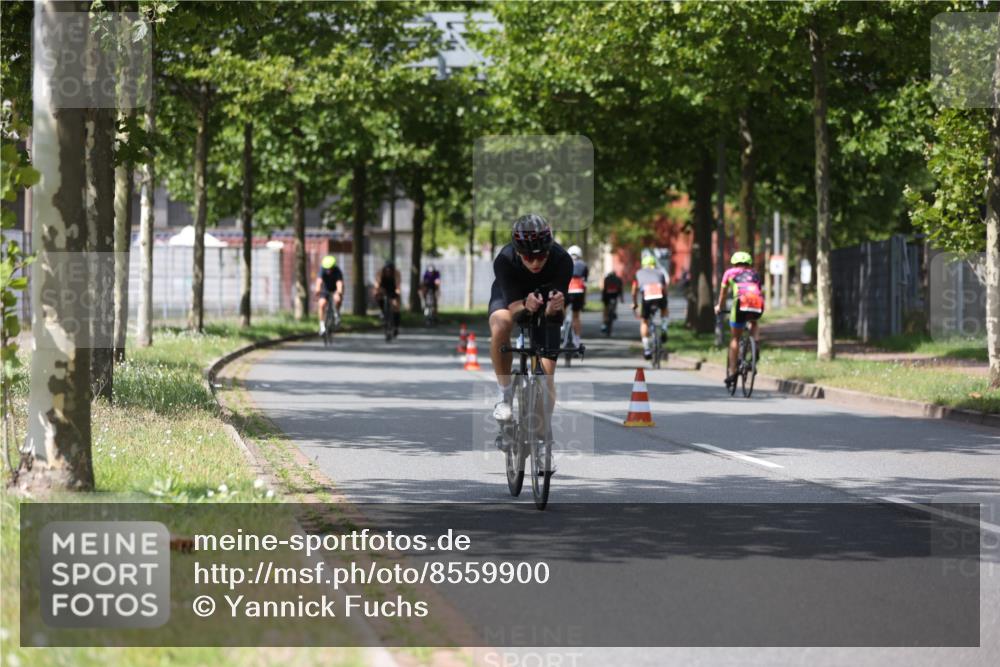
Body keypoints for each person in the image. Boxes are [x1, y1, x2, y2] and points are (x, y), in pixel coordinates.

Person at [488, 214, 572, 422]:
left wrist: (554, 309)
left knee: (546, 376)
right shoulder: (505, 259)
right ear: (518, 252)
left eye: (541, 256)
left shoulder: (562, 260)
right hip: (511, 297)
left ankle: (543, 437)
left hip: (544, 299)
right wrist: (525, 306)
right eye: (528, 257)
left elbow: (558, 315)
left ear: (549, 249)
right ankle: (504, 394)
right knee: (501, 325)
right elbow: (516, 311)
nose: (535, 262)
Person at [714, 251, 765, 387]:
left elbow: (723, 294)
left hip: (740, 304)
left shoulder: (730, 273)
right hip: (757, 303)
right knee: (754, 322)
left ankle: (732, 372)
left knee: (735, 338)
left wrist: (720, 306)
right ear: (749, 263)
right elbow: (759, 291)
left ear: (734, 263)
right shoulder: (755, 274)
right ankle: (756, 345)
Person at [631, 254, 669, 360]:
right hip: (659, 294)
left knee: (644, 321)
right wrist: (664, 301)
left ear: (643, 265)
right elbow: (665, 289)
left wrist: (635, 303)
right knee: (665, 310)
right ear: (654, 265)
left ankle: (647, 349)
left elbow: (634, 291)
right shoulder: (660, 273)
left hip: (647, 296)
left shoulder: (638, 273)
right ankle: (664, 328)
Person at [314, 255, 344, 335]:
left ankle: (336, 313)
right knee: (321, 304)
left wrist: (339, 292)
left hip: (335, 289)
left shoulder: (337, 271)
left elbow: (339, 283)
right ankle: (322, 325)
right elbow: (319, 281)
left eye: (330, 268)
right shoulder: (322, 269)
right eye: (326, 268)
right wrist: (317, 290)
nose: (328, 270)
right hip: (325, 289)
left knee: (337, 299)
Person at [565, 245, 588, 347]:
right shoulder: (583, 265)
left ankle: (561, 325)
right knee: (576, 316)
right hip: (579, 291)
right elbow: (585, 282)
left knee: (560, 309)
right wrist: (584, 299)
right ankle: (577, 339)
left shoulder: (564, 263)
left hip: (567, 290)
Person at [374, 260, 402, 337]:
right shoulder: (380, 273)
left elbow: (398, 284)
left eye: (390, 269)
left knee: (396, 306)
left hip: (393, 289)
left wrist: (398, 291)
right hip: (384, 289)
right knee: (377, 295)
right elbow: (377, 284)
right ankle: (383, 311)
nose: (388, 271)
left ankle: (396, 326)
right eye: (387, 269)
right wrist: (377, 290)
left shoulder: (396, 273)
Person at [600, 269, 624, 334]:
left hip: (607, 296)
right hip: (615, 295)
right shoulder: (618, 279)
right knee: (614, 303)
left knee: (605, 308)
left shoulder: (606, 279)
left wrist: (602, 298)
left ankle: (604, 324)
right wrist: (622, 299)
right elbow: (621, 289)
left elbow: (603, 289)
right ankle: (614, 312)